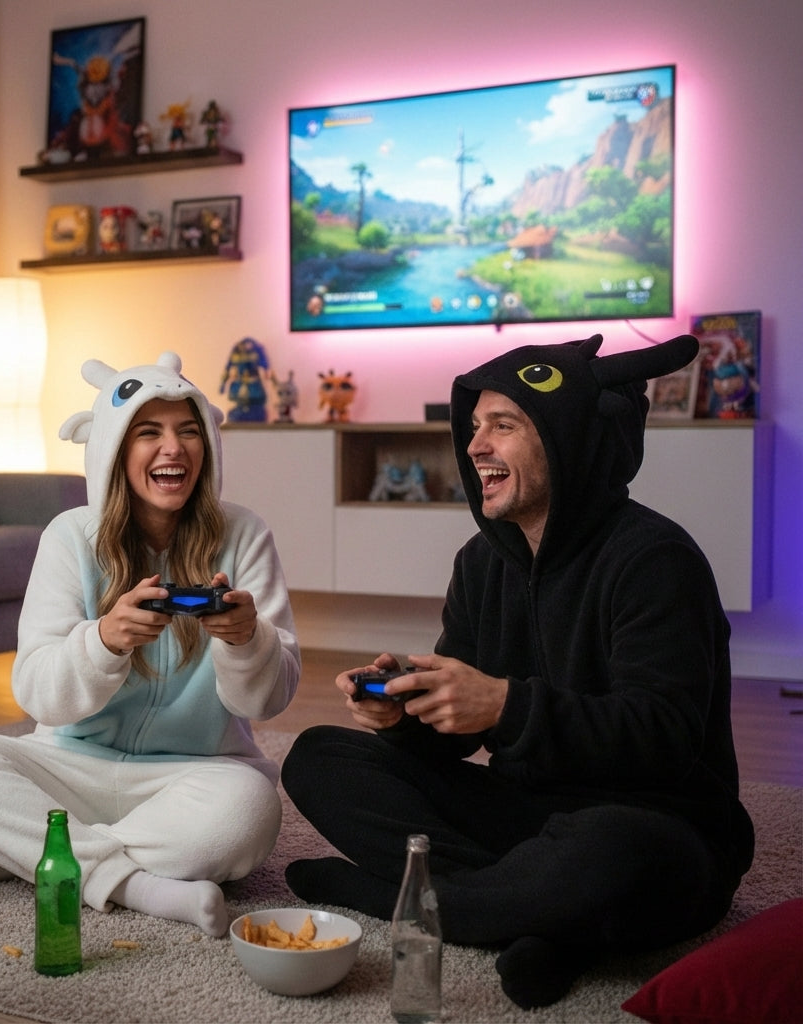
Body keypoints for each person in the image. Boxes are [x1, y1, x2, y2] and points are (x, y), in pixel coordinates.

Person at [280, 334, 754, 1008]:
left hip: (655, 819)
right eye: (474, 427)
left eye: (503, 425)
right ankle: (540, 920)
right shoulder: (480, 563)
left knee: (610, 855)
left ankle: (412, 900)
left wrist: (506, 706)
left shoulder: (655, 558)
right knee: (317, 757)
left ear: (566, 440)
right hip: (525, 816)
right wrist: (406, 715)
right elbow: (459, 736)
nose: (475, 447)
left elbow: (664, 735)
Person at [0, 352, 300, 937]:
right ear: (114, 447)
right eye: (150, 432)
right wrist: (103, 642)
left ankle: (31, 856)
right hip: (70, 766)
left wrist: (247, 641)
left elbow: (266, 702)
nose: (175, 448)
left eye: (189, 431)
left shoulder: (244, 532)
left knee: (250, 811)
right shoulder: (70, 536)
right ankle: (135, 884)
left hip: (195, 772)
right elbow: (39, 694)